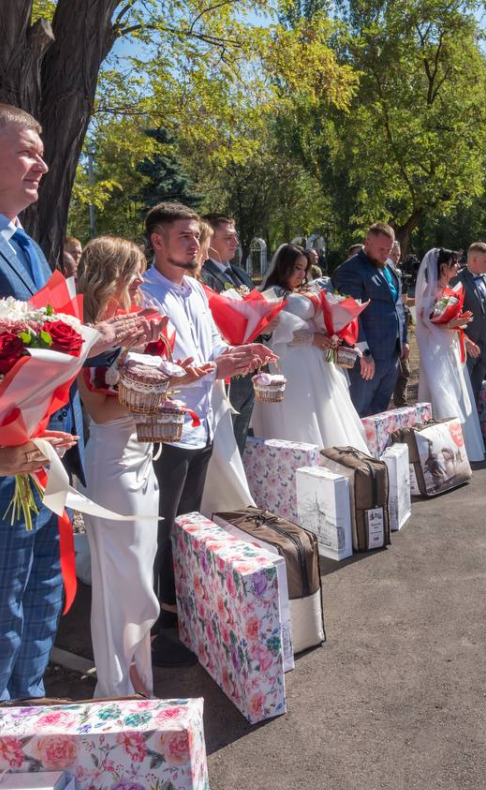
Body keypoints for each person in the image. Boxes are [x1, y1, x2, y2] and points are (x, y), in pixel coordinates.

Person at [0, 101, 163, 702]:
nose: (44, 166)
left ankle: (29, 727)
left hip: (41, 455)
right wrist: (91, 339)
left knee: (41, 603)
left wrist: (107, 348)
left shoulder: (25, 244)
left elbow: (43, 348)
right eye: (28, 151)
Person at [139, 202, 273, 667]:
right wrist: (215, 366)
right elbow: (149, 366)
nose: (195, 244)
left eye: (197, 236)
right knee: (158, 530)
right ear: (157, 240)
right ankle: (152, 631)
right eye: (184, 236)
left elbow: (210, 344)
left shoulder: (195, 288)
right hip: (166, 426)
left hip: (203, 423)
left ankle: (179, 613)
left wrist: (239, 351)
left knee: (185, 525)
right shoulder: (144, 293)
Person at [78, 237, 212, 697]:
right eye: (131, 273)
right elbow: (98, 410)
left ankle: (139, 679)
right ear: (107, 277)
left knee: (140, 571)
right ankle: (117, 685)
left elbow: (145, 386)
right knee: (126, 581)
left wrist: (178, 377)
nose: (139, 280)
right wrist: (151, 396)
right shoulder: (90, 333)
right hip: (113, 464)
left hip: (142, 458)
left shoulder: (131, 326)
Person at [253, 244, 369, 450]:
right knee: (301, 414)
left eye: (304, 269)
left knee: (327, 410)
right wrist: (311, 338)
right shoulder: (270, 294)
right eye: (297, 268)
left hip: (317, 361)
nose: (302, 274)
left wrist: (328, 333)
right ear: (283, 266)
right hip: (292, 362)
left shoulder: (300, 292)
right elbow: (274, 332)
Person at [416, 248, 485, 462]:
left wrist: (463, 336)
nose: (458, 267)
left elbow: (446, 323)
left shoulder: (447, 290)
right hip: (437, 352)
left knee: (455, 393)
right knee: (442, 394)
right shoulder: (431, 292)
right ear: (443, 267)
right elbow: (426, 321)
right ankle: (443, 452)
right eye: (454, 263)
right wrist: (450, 323)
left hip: (451, 349)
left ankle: (460, 450)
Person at [332, 223, 407, 416]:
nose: (385, 254)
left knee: (379, 412)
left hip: (391, 354)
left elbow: (397, 305)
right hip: (367, 358)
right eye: (381, 249)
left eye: (388, 250)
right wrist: (364, 353)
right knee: (359, 411)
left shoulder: (388, 268)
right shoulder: (351, 269)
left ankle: (374, 445)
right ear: (367, 242)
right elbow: (351, 316)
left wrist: (403, 340)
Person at [199, 214, 257, 454]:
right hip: (225, 363)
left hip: (248, 359)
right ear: (209, 241)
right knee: (225, 437)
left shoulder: (241, 274)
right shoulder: (203, 276)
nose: (235, 242)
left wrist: (265, 325)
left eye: (235, 237)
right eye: (227, 238)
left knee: (240, 434)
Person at [451, 242, 486, 404]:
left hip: (485, 345)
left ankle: (473, 425)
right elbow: (450, 314)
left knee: (476, 389)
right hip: (466, 346)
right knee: (462, 390)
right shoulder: (457, 280)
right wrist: (464, 339)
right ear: (473, 260)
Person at [389, 240, 412, 408]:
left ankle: (401, 406)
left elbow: (402, 305)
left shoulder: (398, 273)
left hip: (400, 331)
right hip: (386, 334)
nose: (396, 257)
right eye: (393, 254)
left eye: (398, 254)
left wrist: (406, 340)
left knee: (405, 372)